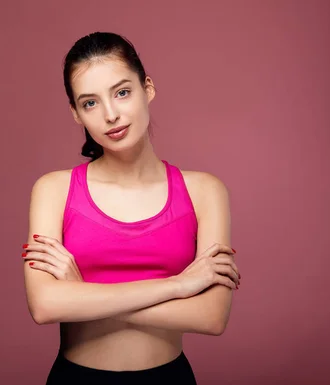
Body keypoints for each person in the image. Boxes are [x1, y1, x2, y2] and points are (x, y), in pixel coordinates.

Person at [22, 31, 241, 385]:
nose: (111, 115)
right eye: (90, 103)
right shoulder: (54, 190)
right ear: (76, 114)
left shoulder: (204, 191)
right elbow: (45, 306)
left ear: (148, 88)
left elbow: (211, 317)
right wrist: (179, 285)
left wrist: (84, 295)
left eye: (122, 92)